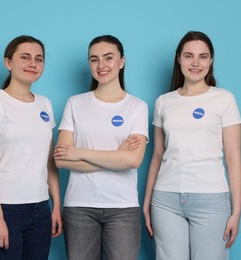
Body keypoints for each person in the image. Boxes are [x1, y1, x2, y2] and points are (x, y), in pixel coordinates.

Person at [143, 31, 241, 260]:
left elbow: (233, 158)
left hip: (211, 199)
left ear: (211, 60)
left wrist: (236, 212)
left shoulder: (224, 99)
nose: (196, 63)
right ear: (178, 59)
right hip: (165, 200)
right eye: (189, 56)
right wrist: (147, 203)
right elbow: (158, 155)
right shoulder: (163, 102)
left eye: (203, 56)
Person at [53, 35, 148, 260]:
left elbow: (133, 161)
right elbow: (61, 160)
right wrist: (116, 158)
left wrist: (80, 153)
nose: (101, 65)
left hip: (123, 208)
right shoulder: (75, 103)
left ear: (121, 62)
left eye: (108, 58)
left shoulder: (137, 107)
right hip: (79, 207)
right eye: (94, 59)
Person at [0, 35, 62, 259]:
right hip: (4, 208)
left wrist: (56, 206)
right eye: (25, 57)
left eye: (38, 59)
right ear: (8, 63)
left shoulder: (45, 104)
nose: (32, 64)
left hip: (40, 209)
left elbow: (49, 162)